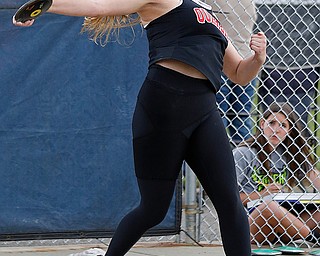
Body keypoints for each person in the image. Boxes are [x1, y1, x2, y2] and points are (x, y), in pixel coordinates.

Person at [13, 1, 267, 256]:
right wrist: (47, 4)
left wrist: (257, 59)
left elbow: (238, 73)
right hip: (163, 108)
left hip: (204, 112)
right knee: (153, 209)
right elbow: (99, 5)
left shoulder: (208, 13)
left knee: (230, 203)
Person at [233, 102, 320, 245]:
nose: (276, 130)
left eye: (283, 125)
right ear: (262, 124)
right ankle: (314, 240)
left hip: (281, 227)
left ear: (289, 130)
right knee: (269, 206)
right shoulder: (243, 153)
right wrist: (262, 195)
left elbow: (315, 177)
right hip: (248, 225)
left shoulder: (289, 154)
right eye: (271, 123)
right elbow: (229, 198)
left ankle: (305, 237)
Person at [207, 0, 258, 145]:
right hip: (223, 60)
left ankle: (240, 161)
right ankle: (221, 157)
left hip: (240, 60)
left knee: (239, 116)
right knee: (221, 115)